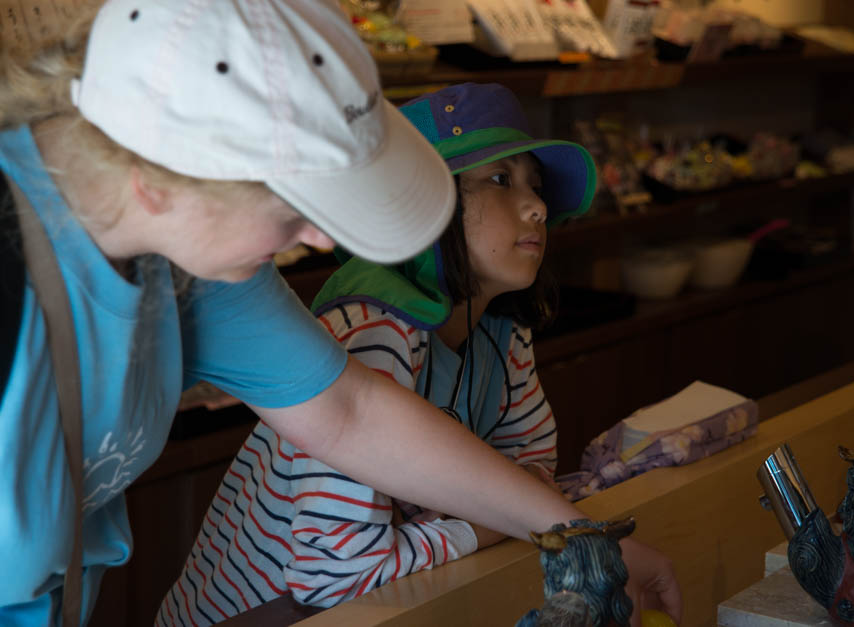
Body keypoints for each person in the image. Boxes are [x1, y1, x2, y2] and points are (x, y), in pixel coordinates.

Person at [0, 2, 678, 626]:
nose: (321, 239)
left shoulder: (194, 261)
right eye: (295, 205)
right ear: (158, 179)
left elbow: (352, 411)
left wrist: (576, 532)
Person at [159, 82, 681, 626]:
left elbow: (533, 473)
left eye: (536, 184)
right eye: (501, 180)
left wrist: (523, 514)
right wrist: (492, 522)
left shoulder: (501, 325)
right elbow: (333, 576)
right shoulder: (370, 330)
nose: (537, 208)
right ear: (424, 203)